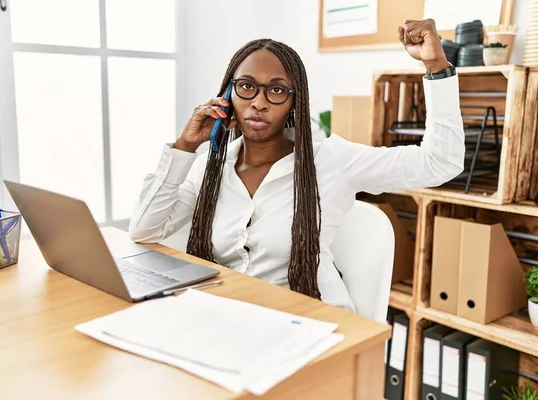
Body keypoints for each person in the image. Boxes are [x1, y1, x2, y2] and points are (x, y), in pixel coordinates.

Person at [129, 19, 465, 312]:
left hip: (311, 323)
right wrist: (185, 145)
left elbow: (440, 162)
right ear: (228, 95)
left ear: (294, 102)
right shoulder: (211, 167)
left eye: (276, 90)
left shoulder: (330, 161)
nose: (259, 102)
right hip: (233, 320)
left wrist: (436, 67)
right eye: (246, 87)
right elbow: (144, 229)